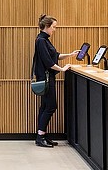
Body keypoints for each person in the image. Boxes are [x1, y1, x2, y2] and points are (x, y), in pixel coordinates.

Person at [33, 14, 77, 148]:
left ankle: (42, 135)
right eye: (54, 27)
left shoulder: (44, 39)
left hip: (47, 77)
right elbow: (48, 62)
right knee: (51, 106)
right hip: (45, 78)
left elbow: (55, 55)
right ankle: (40, 136)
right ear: (46, 26)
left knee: (46, 106)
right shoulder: (41, 40)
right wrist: (62, 69)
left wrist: (70, 54)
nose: (55, 30)